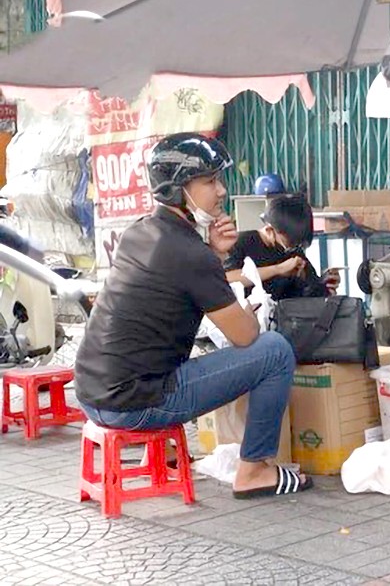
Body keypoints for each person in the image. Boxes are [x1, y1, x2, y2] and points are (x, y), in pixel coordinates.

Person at [74, 133, 312, 499]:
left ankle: (182, 453)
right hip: (136, 402)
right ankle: (254, 471)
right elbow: (246, 338)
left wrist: (213, 252)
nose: (220, 190)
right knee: (275, 350)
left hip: (92, 395)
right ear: (177, 190)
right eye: (209, 181)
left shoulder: (139, 232)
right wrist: (238, 294)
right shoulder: (189, 253)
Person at [224, 192, 328, 301]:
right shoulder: (242, 242)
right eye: (289, 243)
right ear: (269, 230)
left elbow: (311, 291)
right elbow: (228, 278)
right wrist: (278, 269)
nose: (293, 247)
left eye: (297, 244)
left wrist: (324, 285)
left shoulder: (294, 252)